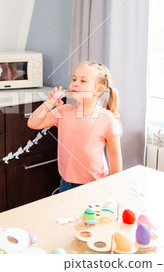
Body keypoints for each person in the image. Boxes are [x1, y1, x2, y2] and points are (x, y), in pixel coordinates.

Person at [27, 61, 122, 192]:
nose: (75, 83)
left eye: (83, 81)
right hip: (66, 182)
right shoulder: (64, 111)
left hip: (95, 183)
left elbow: (115, 156)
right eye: (74, 79)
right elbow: (33, 123)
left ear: (98, 90)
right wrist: (50, 102)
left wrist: (115, 184)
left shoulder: (106, 118)